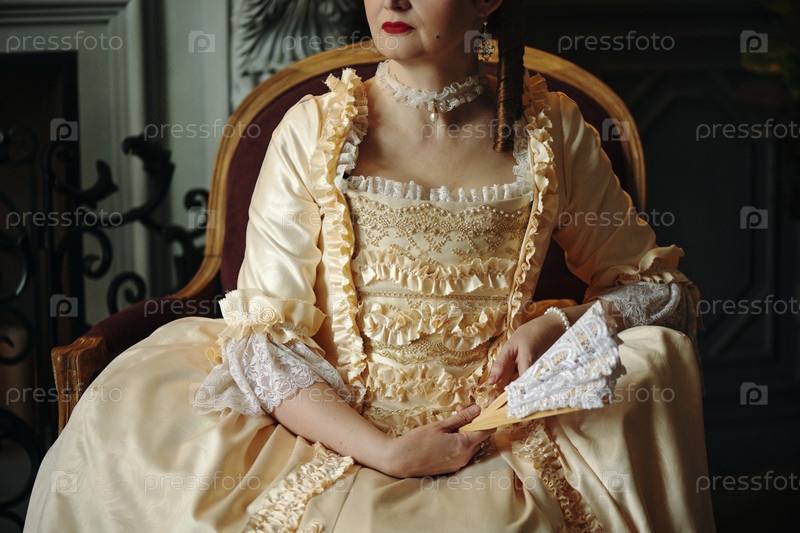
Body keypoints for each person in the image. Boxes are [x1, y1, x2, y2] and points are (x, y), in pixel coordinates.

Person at [26, 0, 716, 531]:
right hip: (328, 428)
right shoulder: (314, 131)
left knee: (652, 360)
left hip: (497, 435)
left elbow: (662, 292)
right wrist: (382, 452)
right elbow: (264, 341)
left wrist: (562, 325)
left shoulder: (553, 129)